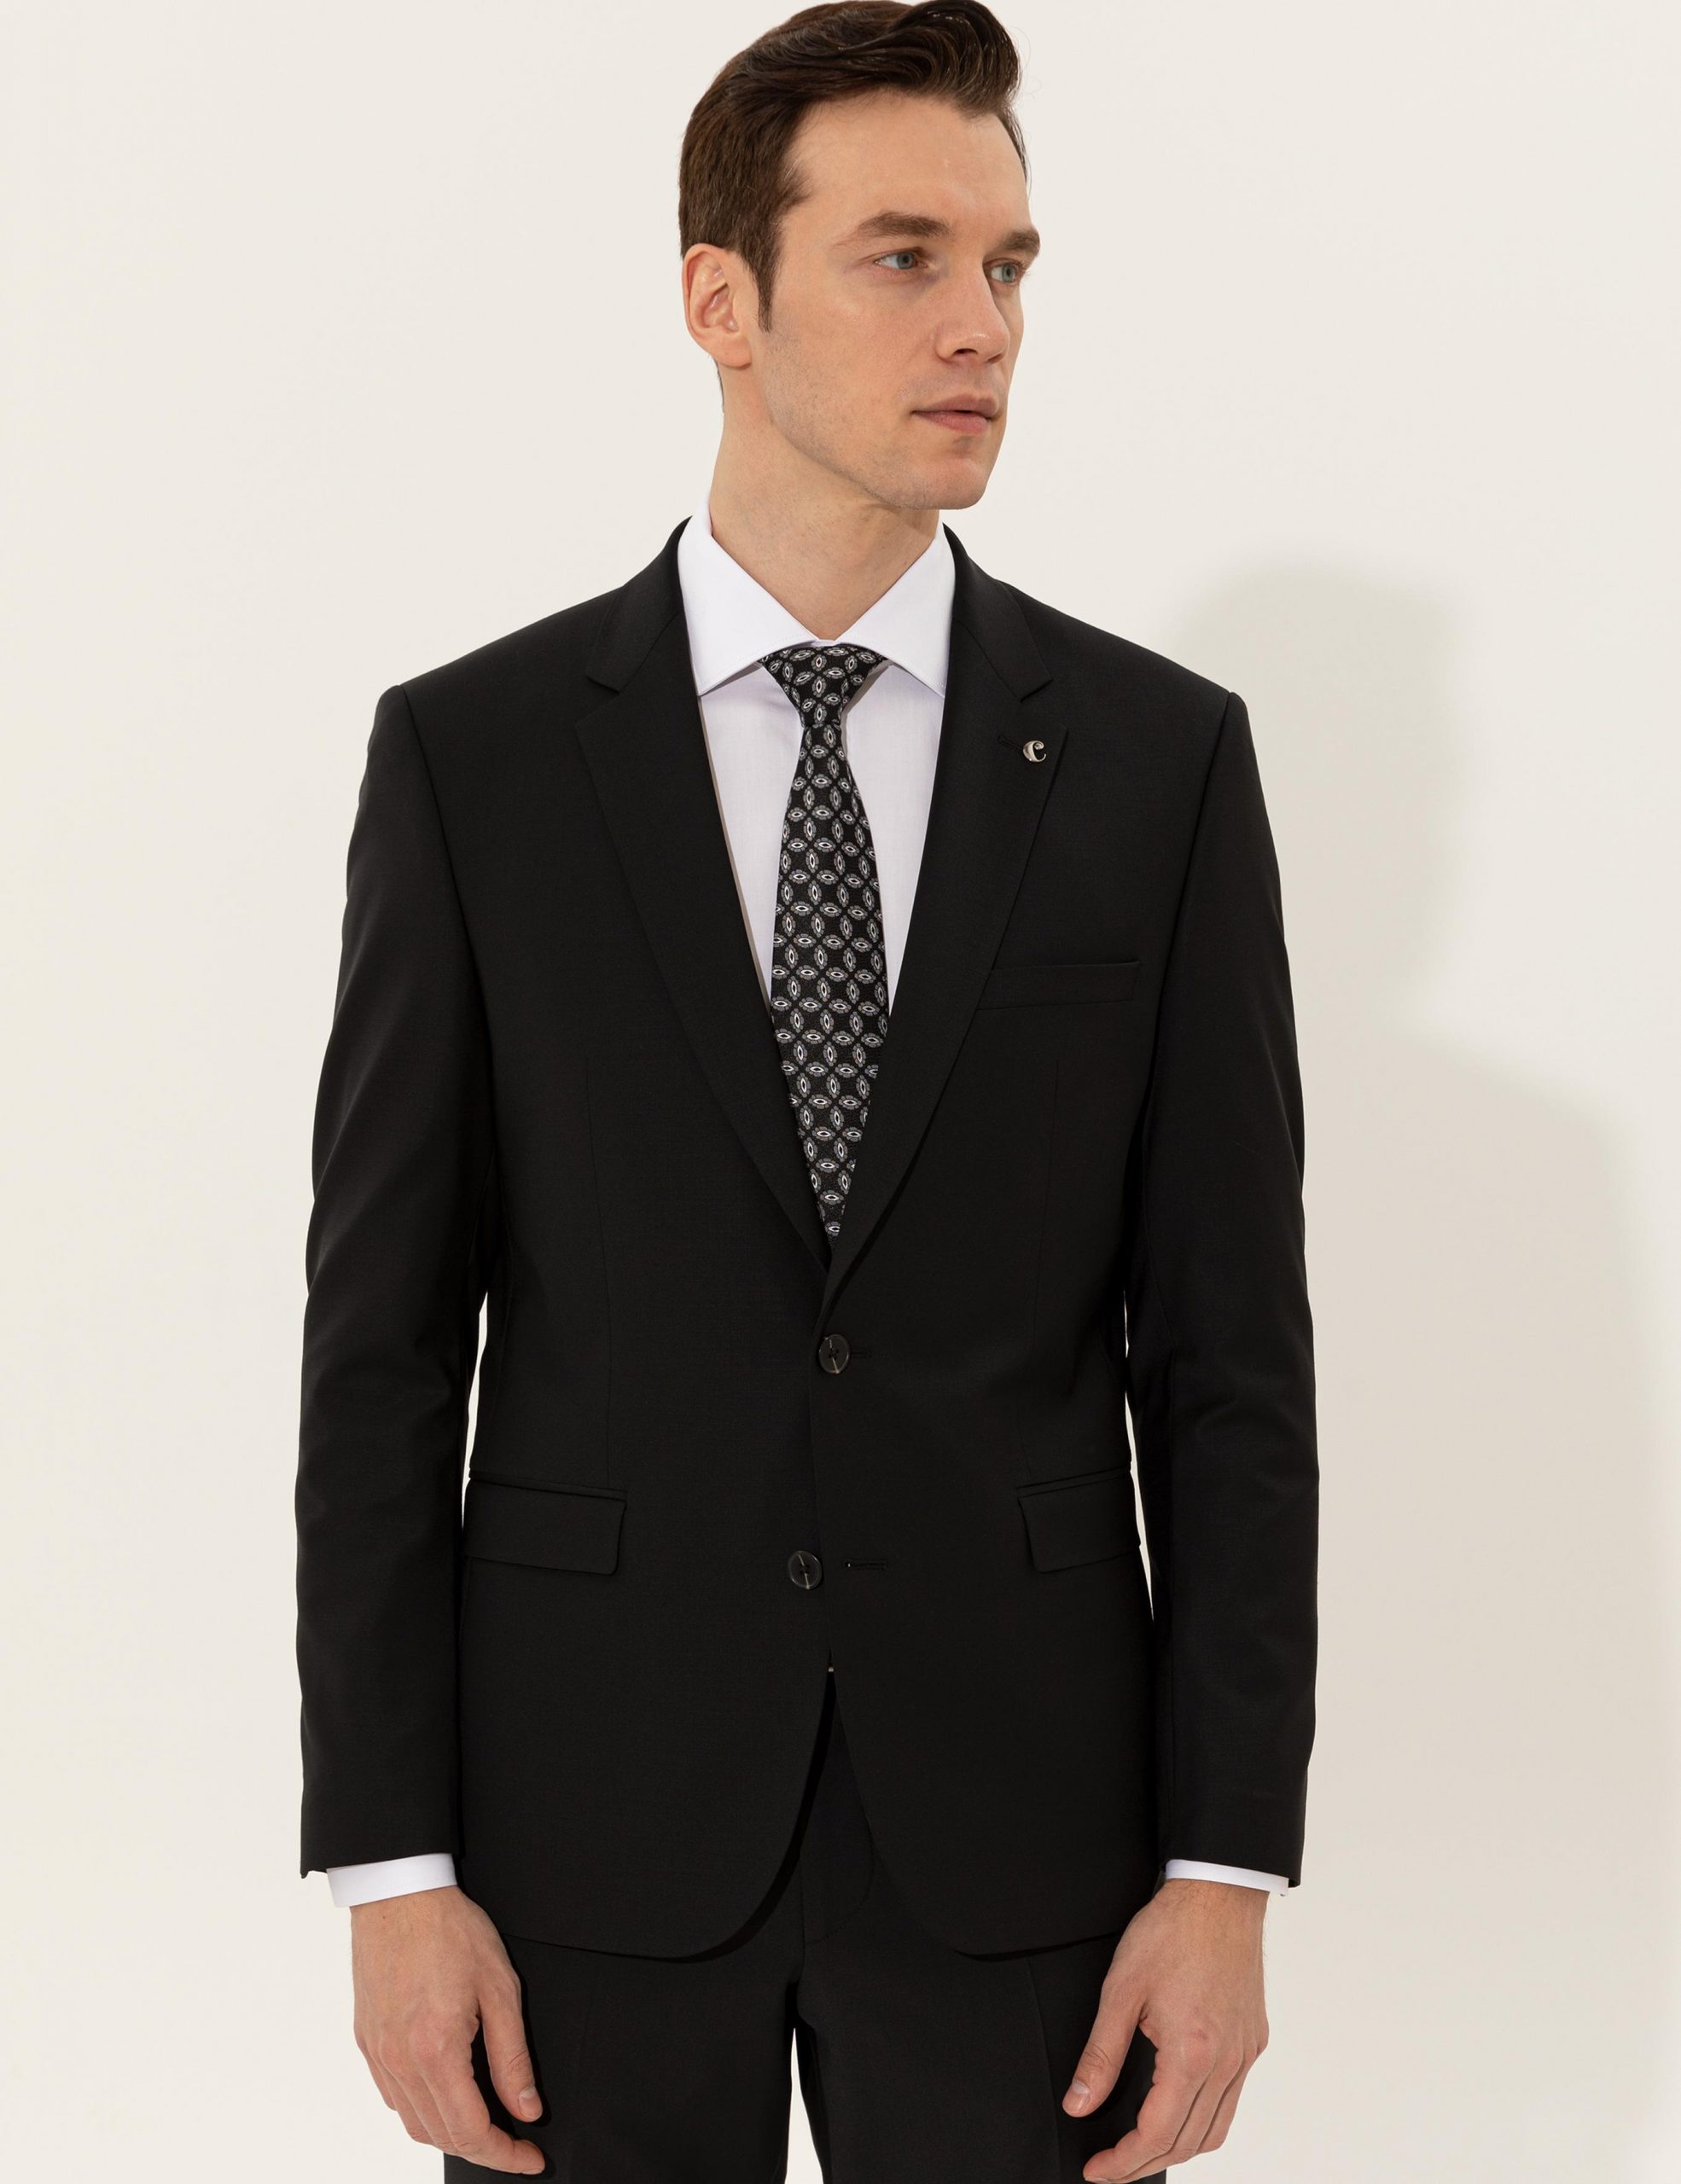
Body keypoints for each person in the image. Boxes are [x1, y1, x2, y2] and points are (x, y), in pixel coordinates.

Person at [294, 5, 1318, 2178]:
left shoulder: (1156, 764)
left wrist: (1223, 1867)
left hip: (1026, 1837)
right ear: (721, 300)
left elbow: (1231, 1363)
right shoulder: (478, 760)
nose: (981, 325)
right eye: (903, 257)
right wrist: (393, 1868)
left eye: (1008, 265)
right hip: (582, 1827)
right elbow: (381, 1349)